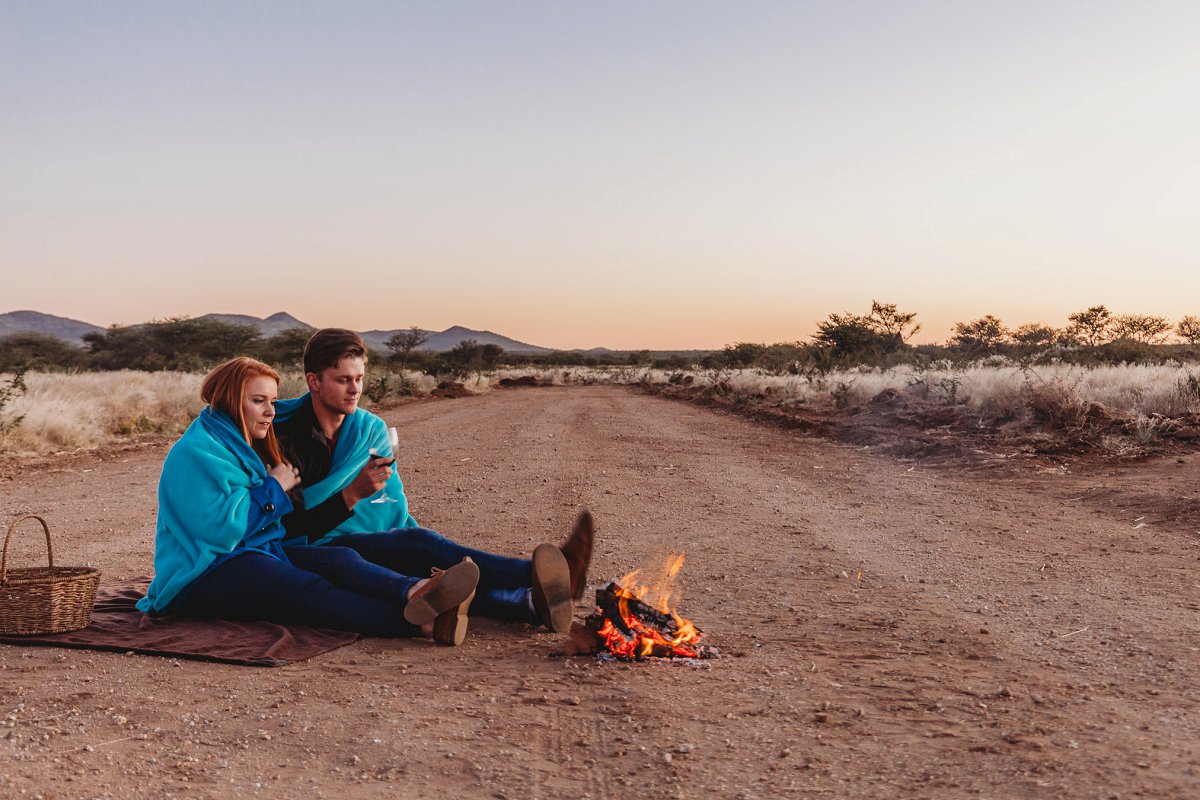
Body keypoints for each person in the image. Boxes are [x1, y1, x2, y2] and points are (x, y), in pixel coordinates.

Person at [137, 357, 480, 645]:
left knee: (340, 559)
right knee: (304, 588)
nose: (271, 412)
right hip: (199, 576)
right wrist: (273, 486)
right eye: (258, 401)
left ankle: (416, 591)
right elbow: (220, 531)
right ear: (230, 400)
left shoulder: (237, 445)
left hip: (248, 555)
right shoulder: (196, 453)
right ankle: (420, 623)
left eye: (272, 401)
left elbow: (265, 527)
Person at [272, 328, 594, 634]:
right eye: (343, 380)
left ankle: (527, 604)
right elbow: (289, 525)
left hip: (367, 537)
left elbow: (388, 501)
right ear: (313, 381)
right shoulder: (284, 442)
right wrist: (353, 495)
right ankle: (546, 575)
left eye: (359, 378)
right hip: (311, 545)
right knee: (417, 545)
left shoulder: (367, 428)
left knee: (420, 569)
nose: (355, 389)